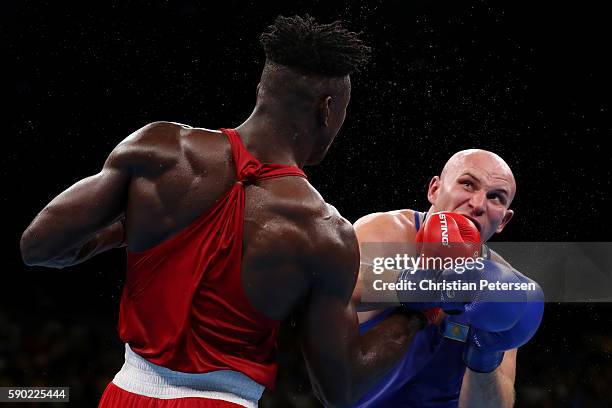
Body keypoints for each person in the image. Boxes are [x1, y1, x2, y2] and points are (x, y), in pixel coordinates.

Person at [19, 15, 428, 408]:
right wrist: (421, 313)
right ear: (326, 110)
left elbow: (39, 247)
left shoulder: (161, 148)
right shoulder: (323, 232)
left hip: (123, 394)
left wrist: (122, 231)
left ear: (260, 90)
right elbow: (339, 389)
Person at [350, 149, 544, 407]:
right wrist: (430, 286)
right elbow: (334, 288)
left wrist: (485, 355)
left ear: (503, 221)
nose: (478, 204)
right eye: (467, 184)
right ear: (434, 190)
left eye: (495, 197)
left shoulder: (504, 285)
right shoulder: (387, 233)